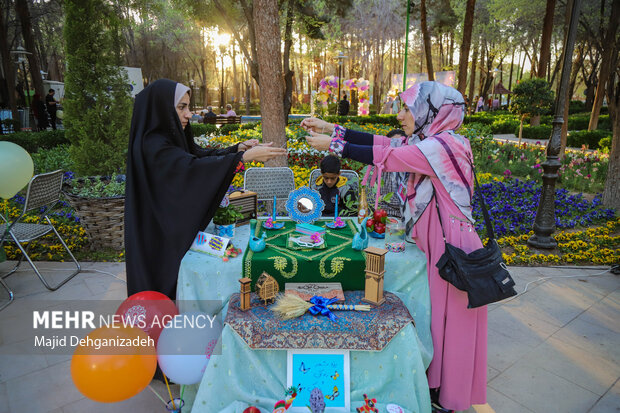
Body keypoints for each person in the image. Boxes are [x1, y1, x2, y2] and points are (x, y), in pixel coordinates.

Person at [301, 81, 491, 413]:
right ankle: (434, 386)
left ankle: (448, 395)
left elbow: (388, 156)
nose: (401, 115)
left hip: (452, 242)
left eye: (407, 109)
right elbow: (383, 142)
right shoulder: (428, 140)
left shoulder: (444, 146)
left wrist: (334, 145)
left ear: (431, 111)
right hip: (436, 236)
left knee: (450, 321)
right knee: (437, 317)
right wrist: (331, 127)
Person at [125, 79, 287, 300]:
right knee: (159, 295)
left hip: (165, 229)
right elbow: (190, 169)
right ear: (162, 107)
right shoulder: (152, 144)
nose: (189, 114)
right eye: (181, 107)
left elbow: (196, 156)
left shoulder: (167, 137)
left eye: (188, 107)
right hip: (157, 235)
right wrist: (243, 158)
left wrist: (237, 149)